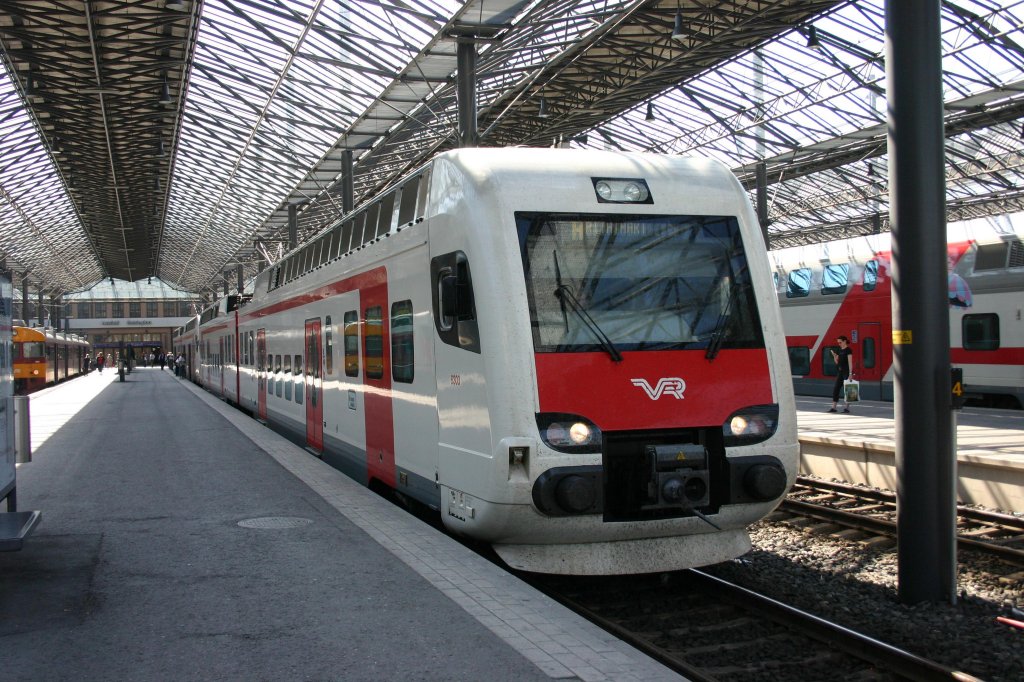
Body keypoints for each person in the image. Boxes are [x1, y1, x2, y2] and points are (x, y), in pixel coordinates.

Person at [828, 335, 855, 413]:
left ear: (844, 341)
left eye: (840, 342)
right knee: (836, 388)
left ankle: (847, 408)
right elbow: (837, 363)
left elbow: (850, 362)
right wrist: (835, 358)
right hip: (840, 372)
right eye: (838, 342)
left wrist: (850, 373)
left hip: (846, 372)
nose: (839, 344)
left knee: (847, 389)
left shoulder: (848, 350)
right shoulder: (839, 350)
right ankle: (834, 407)